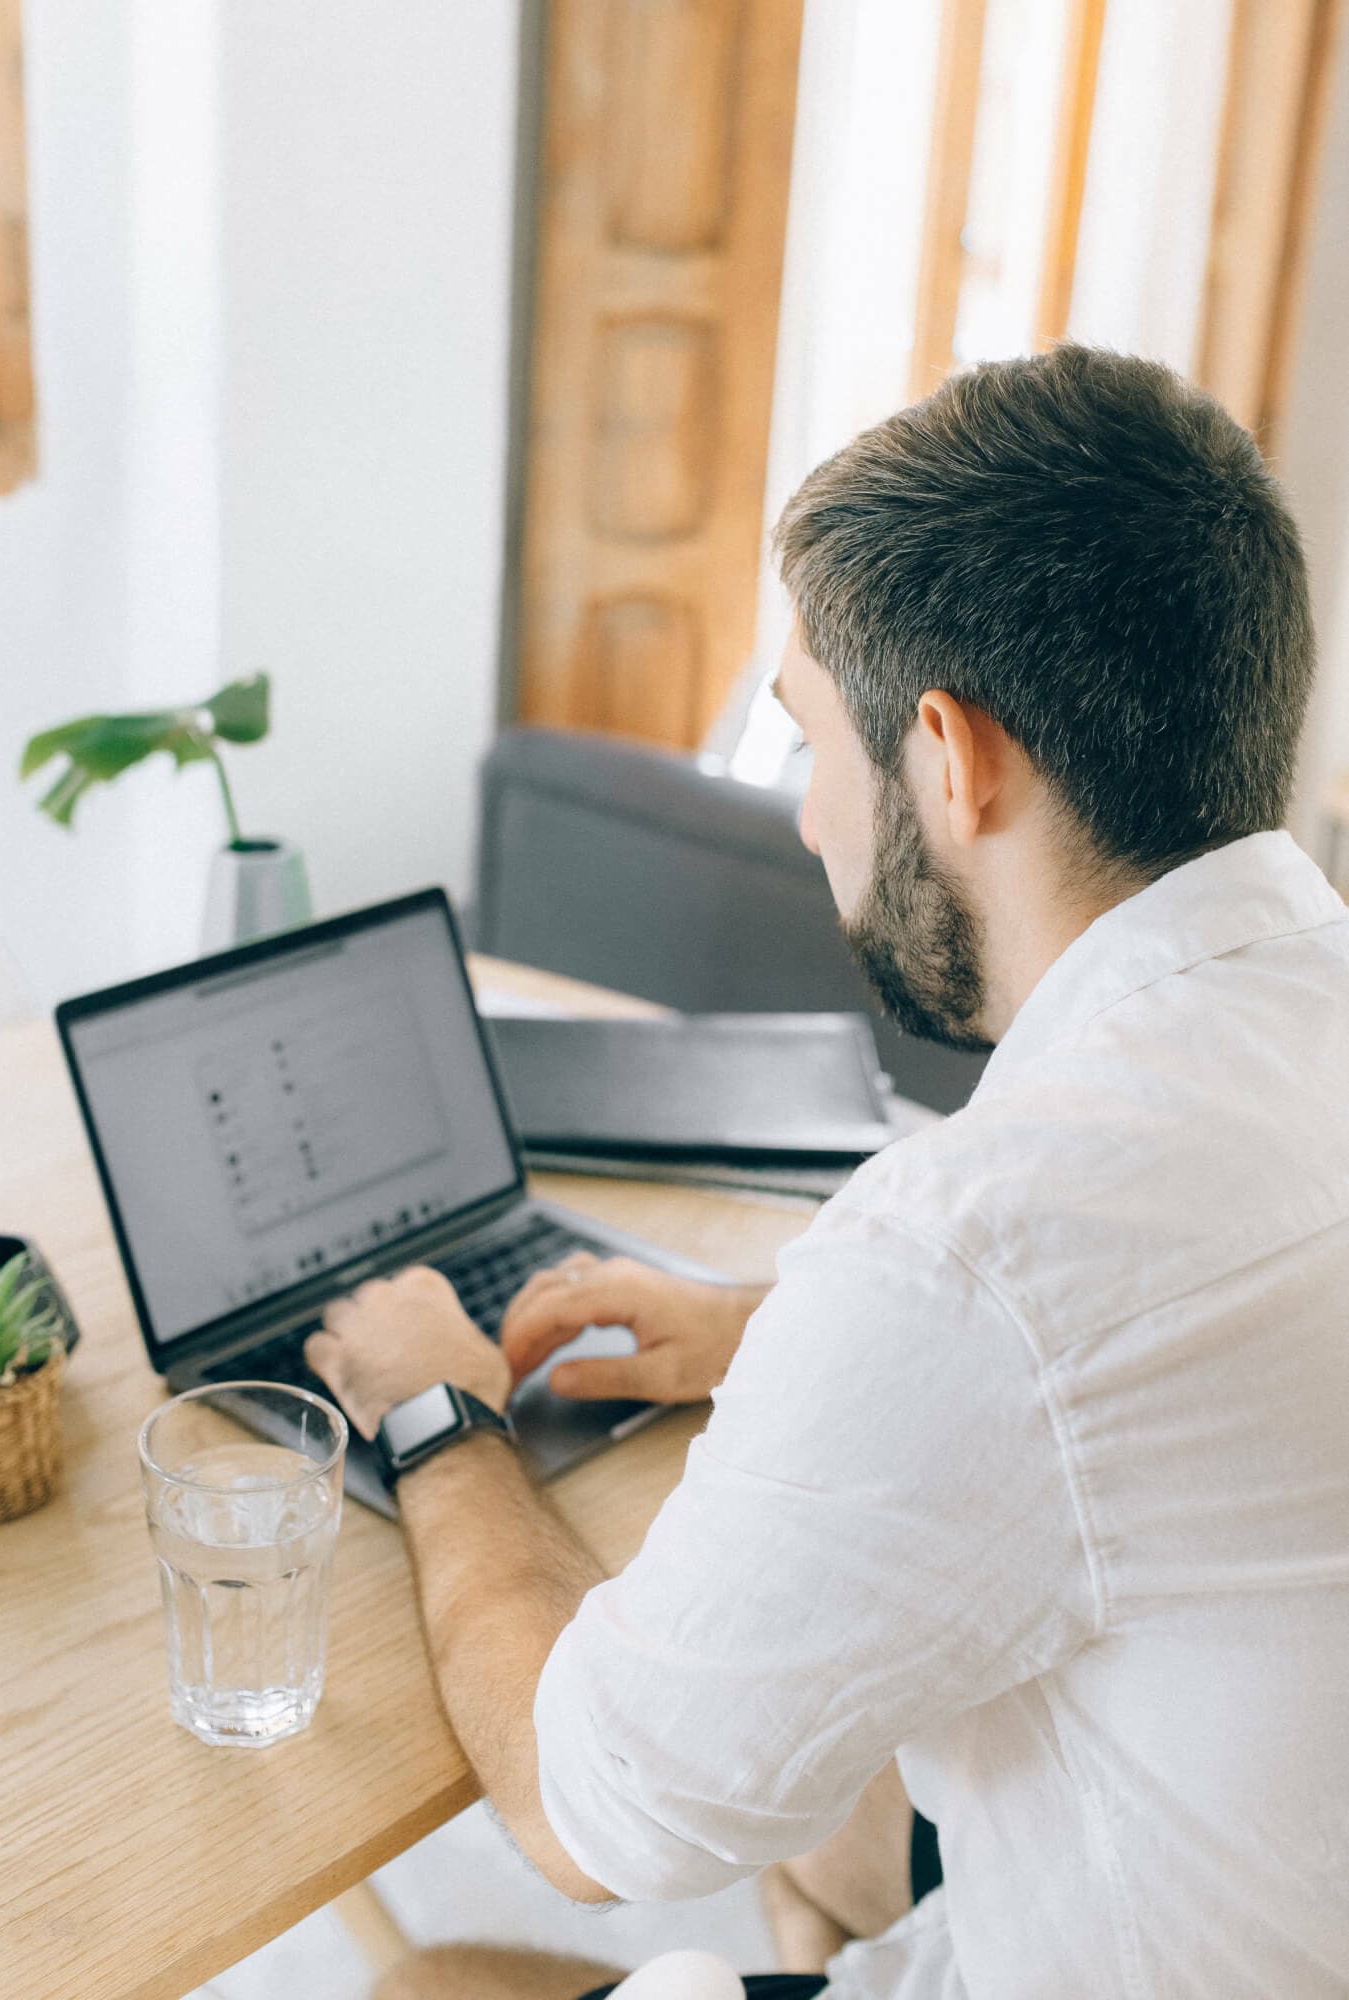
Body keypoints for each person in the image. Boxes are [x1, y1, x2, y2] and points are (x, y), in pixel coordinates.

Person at [305, 346, 1349, 1999]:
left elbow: (594, 1824)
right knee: (834, 1801)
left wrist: (438, 1416)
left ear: (948, 757)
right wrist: (760, 1334)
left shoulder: (972, 1256)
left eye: (808, 742)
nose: (806, 821)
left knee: (426, 1987)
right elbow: (1142, 1351)